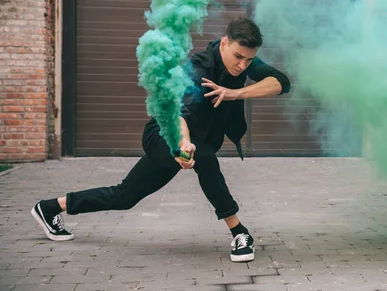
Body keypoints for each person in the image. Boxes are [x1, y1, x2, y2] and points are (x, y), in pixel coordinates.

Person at [31, 18, 291, 263]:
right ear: (224, 43)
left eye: (249, 60)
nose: (243, 66)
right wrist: (183, 143)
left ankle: (50, 207)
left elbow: (281, 82)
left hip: (194, 141)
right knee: (207, 159)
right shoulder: (197, 68)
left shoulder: (243, 62)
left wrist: (235, 93)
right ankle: (240, 233)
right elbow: (180, 113)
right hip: (165, 134)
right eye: (238, 57)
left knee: (125, 196)